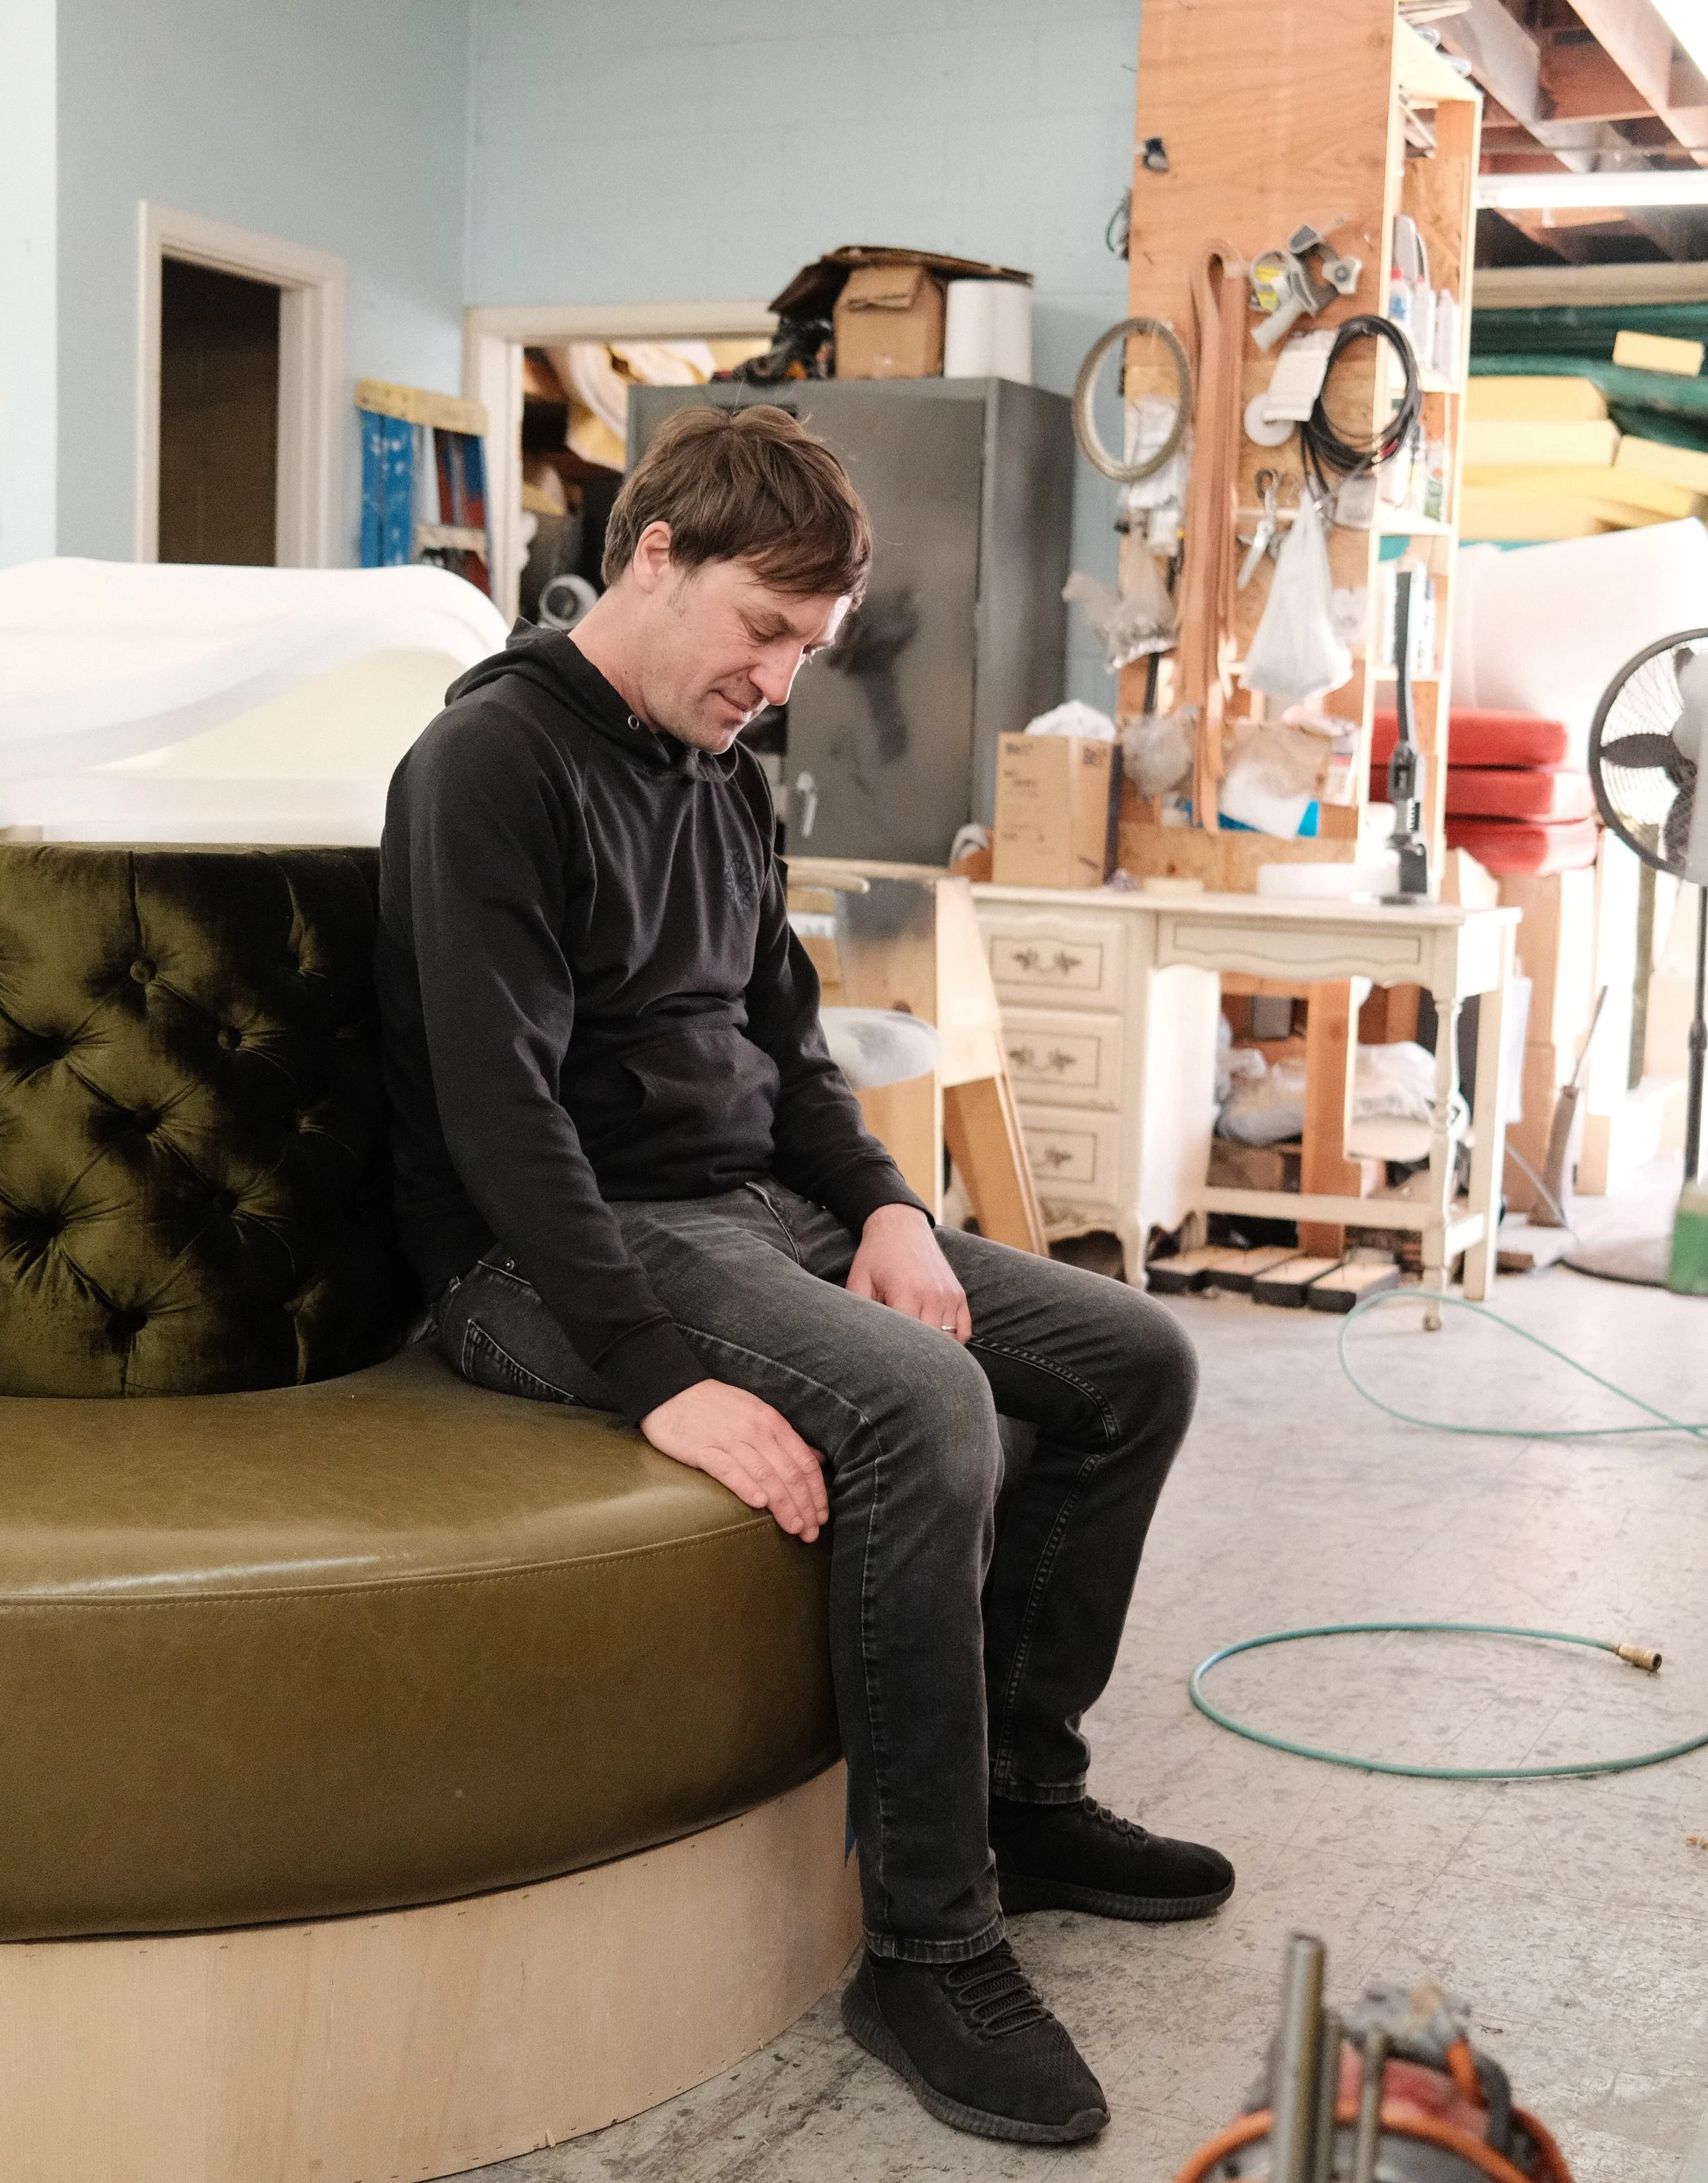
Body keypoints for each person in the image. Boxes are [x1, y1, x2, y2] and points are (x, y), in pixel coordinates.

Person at [376, 402, 1231, 2148]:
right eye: (761, 630)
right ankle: (923, 1940)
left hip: (753, 1202)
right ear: (653, 555)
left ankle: (1014, 1787)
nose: (775, 677)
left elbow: (790, 1047)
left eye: (807, 648)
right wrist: (654, 1372)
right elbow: (499, 1116)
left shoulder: (719, 771)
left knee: (1132, 1359)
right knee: (926, 1402)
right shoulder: (487, 768)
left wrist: (891, 1208)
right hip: (551, 1252)